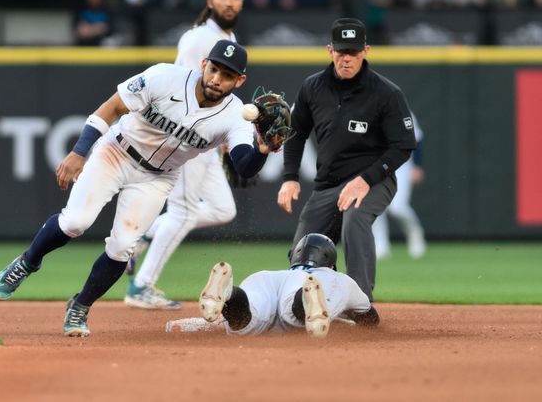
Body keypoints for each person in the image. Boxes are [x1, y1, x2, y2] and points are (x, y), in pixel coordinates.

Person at [0, 40, 273, 337]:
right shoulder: (166, 77)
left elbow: (244, 166)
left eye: (227, 75)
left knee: (123, 246)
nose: (217, 79)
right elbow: (112, 107)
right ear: (204, 64)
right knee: (75, 221)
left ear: (240, 80)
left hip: (158, 177)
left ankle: (81, 305)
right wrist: (79, 152)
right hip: (116, 152)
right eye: (214, 69)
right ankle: (27, 262)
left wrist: (263, 150)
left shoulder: (236, 114)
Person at [124, 0, 249, 310]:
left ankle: (142, 236)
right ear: (210, 1)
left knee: (223, 209)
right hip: (183, 138)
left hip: (204, 139)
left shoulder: (227, 37)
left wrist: (224, 138)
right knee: (182, 211)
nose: (229, 1)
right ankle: (141, 286)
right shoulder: (198, 39)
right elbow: (188, 92)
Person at [277, 17, 416, 301]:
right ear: (330, 51)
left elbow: (403, 145)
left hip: (374, 179)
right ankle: (303, 303)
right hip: (328, 183)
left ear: (366, 51)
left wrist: (365, 180)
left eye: (353, 52)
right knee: (304, 249)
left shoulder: (386, 93)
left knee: (354, 219)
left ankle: (360, 302)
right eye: (342, 52)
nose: (347, 59)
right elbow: (295, 132)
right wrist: (290, 177)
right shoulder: (312, 87)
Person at [169, 233, 379, 337]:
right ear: (331, 263)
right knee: (294, 315)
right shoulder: (339, 279)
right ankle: (305, 302)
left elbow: (215, 325)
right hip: (307, 286)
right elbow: (370, 319)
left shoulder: (280, 273)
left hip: (265, 281)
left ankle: (230, 293)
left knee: (245, 321)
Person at [372, 112, 427, 260]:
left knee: (397, 207)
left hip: (401, 164)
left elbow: (417, 138)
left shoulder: (400, 108)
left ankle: (415, 234)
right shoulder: (365, 106)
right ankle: (380, 245)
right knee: (375, 206)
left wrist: (417, 165)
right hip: (374, 164)